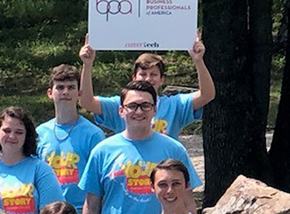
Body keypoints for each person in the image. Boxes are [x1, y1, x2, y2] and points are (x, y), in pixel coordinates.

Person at [78, 81, 202, 214]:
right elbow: (92, 204)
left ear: (155, 110)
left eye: (145, 105)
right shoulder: (103, 150)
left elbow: (187, 200)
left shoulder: (174, 149)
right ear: (121, 110)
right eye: (132, 106)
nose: (139, 111)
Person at [80, 36, 216, 139]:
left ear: (161, 79)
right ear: (134, 78)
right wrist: (87, 64)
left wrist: (198, 60)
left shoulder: (175, 105)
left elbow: (207, 95)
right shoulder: (122, 104)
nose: (148, 78)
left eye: (154, 74)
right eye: (143, 74)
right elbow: (87, 102)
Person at [37, 65, 108, 211]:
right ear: (50, 93)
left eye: (71, 87)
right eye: (60, 87)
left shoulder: (93, 134)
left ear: (79, 93)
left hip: (80, 213)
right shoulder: (40, 133)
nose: (65, 92)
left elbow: (101, 181)